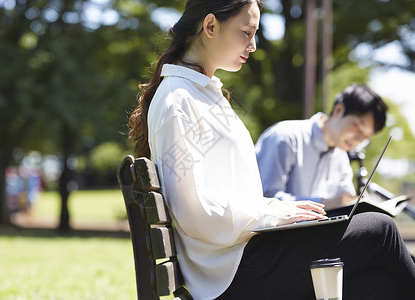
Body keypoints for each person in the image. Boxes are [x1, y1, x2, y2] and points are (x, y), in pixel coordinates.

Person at [128, 1, 415, 299]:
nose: (253, 45)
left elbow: (225, 195)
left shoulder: (202, 95)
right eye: (246, 32)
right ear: (210, 26)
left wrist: (278, 209)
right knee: (380, 230)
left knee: (379, 285)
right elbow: (193, 211)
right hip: (229, 271)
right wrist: (272, 216)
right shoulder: (179, 101)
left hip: (239, 257)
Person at [255, 84, 388, 211]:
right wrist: (323, 204)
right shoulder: (285, 137)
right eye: (358, 127)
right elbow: (266, 199)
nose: (359, 140)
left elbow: (345, 201)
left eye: (366, 136)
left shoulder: (340, 154)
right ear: (338, 110)